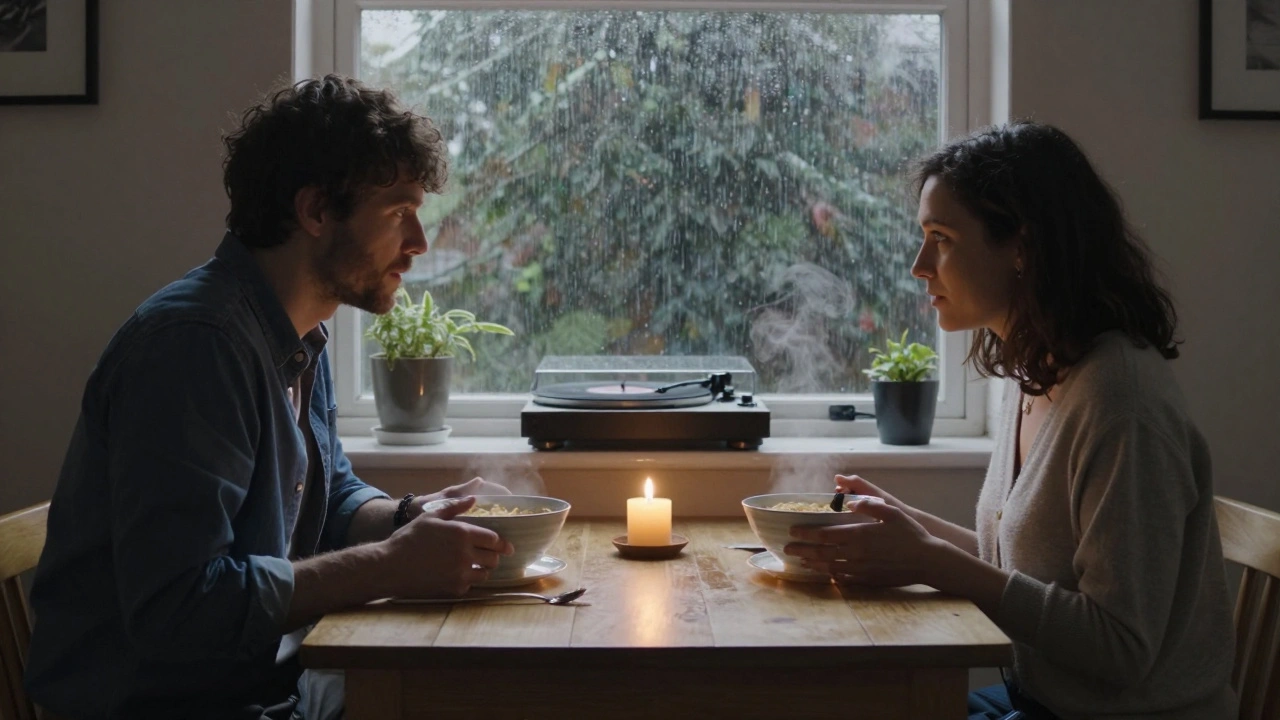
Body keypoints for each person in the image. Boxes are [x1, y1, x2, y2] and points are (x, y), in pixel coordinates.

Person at [24, 75, 515, 719]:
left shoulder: (297, 332)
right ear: (314, 212)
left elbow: (330, 493)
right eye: (398, 211)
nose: (420, 243)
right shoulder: (195, 346)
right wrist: (392, 566)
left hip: (262, 691)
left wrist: (408, 516)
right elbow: (181, 609)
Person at [784, 121, 1238, 719]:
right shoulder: (1037, 371)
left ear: (1022, 247)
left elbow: (1122, 646)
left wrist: (929, 560)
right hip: (1040, 702)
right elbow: (1026, 572)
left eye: (941, 238)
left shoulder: (1121, 405)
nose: (920, 265)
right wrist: (908, 530)